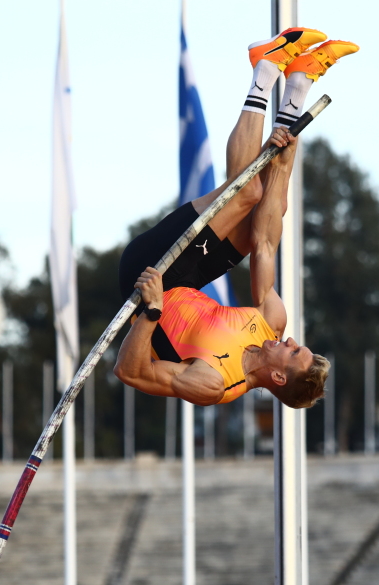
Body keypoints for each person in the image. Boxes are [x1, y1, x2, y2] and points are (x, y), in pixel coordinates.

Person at [113, 28, 358, 408]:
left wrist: (151, 311)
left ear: (278, 377)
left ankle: (264, 71)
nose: (291, 340)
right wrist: (283, 156)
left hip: (149, 276)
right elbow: (265, 243)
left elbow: (131, 372)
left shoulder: (213, 384)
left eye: (294, 352)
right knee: (265, 204)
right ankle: (296, 86)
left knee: (245, 191)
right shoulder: (272, 322)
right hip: (190, 275)